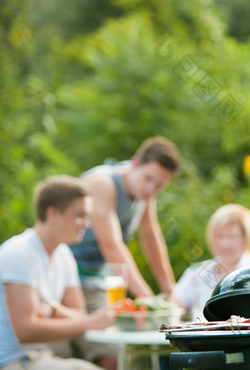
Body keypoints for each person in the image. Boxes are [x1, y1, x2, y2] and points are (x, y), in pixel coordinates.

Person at [68, 136, 180, 369]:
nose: (151, 189)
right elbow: (112, 246)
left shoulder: (144, 192)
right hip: (63, 278)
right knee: (94, 353)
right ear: (135, 163)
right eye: (149, 179)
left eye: (159, 185)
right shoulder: (103, 184)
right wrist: (150, 301)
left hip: (92, 280)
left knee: (120, 356)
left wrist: (170, 290)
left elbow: (151, 237)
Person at [0, 176, 115, 370]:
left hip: (38, 359)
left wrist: (53, 308)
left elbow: (78, 313)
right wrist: (91, 322)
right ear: (52, 213)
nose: (86, 224)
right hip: (6, 363)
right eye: (80, 215)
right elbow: (26, 331)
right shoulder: (19, 253)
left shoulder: (63, 253)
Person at [171, 204, 250, 321]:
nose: (224, 244)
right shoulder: (196, 273)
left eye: (232, 237)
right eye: (220, 236)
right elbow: (173, 310)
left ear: (246, 239)